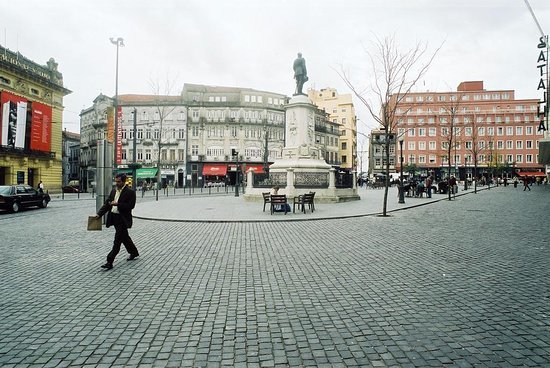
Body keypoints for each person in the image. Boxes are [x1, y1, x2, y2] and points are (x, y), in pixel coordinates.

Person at [95, 173, 139, 270]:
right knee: (125, 238)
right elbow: (107, 204)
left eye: (119, 181)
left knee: (117, 240)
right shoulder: (113, 191)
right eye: (116, 181)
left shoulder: (130, 192)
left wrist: (118, 204)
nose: (117, 183)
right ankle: (134, 252)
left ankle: (109, 261)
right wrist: (99, 214)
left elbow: (130, 206)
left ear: (124, 181)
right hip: (114, 218)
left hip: (123, 219)